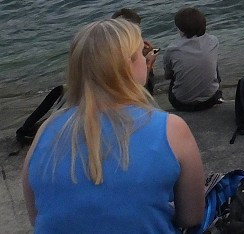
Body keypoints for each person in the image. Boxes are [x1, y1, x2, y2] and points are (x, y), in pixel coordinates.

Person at [22, 18, 205, 233]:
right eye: (141, 53)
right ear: (126, 65)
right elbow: (191, 217)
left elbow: (38, 217)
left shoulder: (47, 128)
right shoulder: (170, 128)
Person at [162, 7, 222, 112]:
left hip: (181, 104)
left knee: (174, 72)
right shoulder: (213, 41)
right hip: (210, 100)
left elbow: (168, 76)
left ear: (181, 30)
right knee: (211, 62)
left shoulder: (172, 49)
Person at [112, 8, 156, 93]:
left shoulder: (127, 43)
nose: (137, 33)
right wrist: (149, 63)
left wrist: (152, 50)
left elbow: (156, 50)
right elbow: (139, 87)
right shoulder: (120, 55)